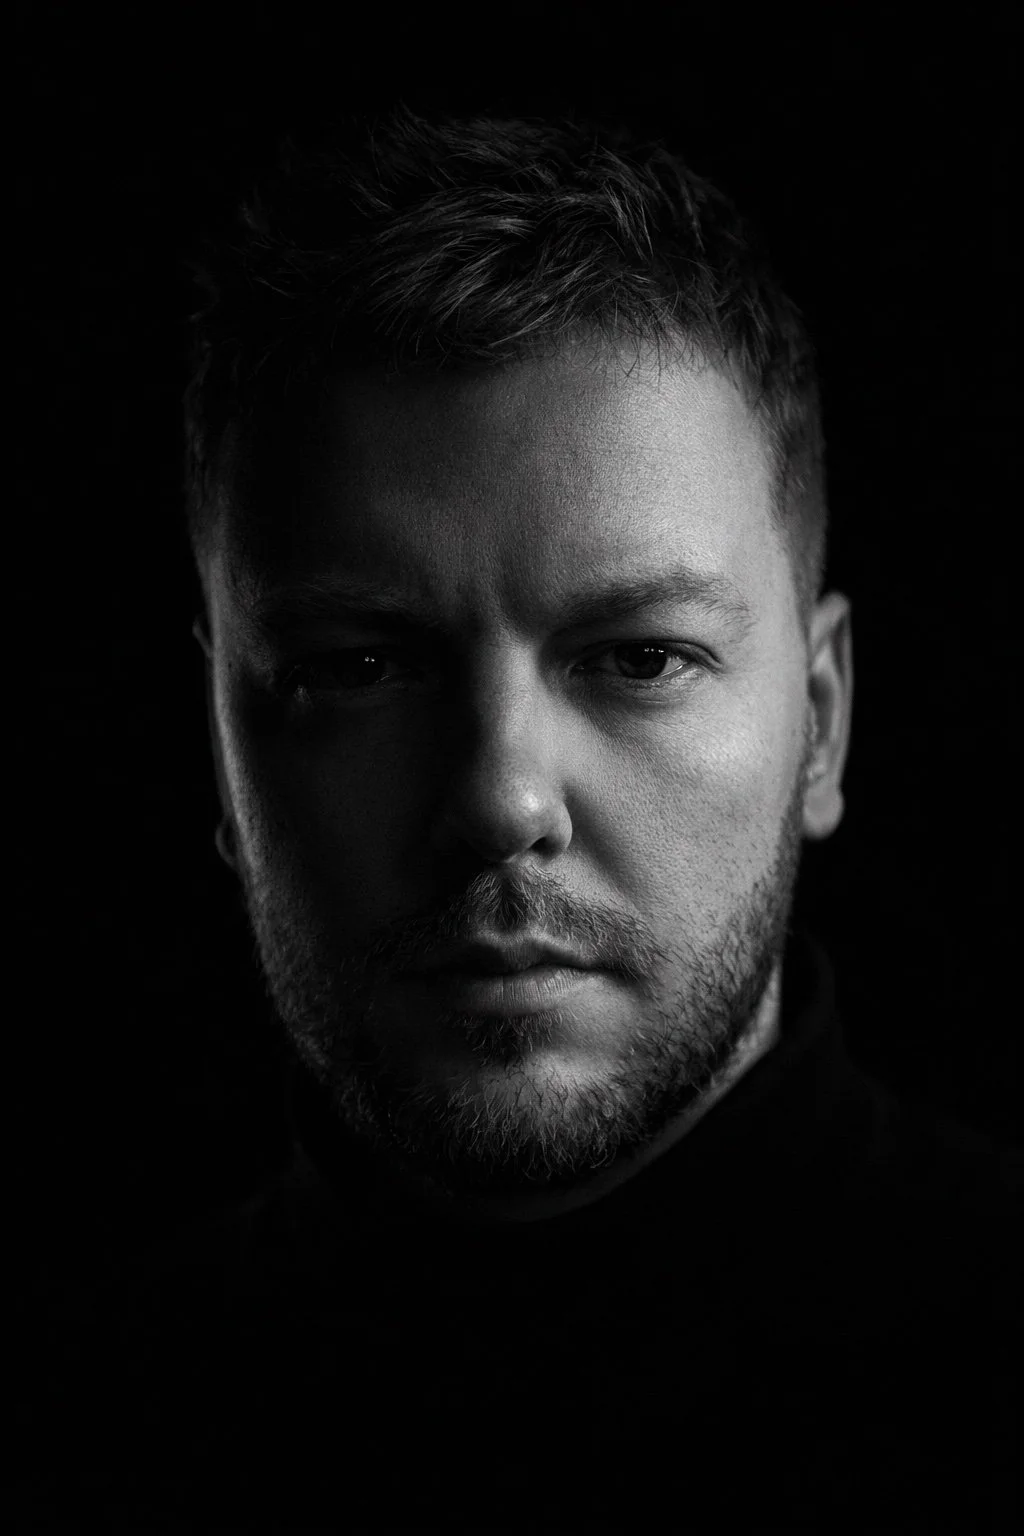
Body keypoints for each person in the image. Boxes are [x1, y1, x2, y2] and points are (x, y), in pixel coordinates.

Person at [24, 101, 1019, 1532]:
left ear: (825, 723)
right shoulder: (69, 1431)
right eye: (358, 669)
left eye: (640, 659)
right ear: (219, 754)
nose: (500, 799)